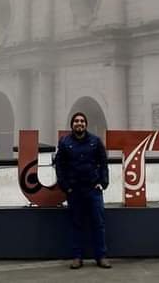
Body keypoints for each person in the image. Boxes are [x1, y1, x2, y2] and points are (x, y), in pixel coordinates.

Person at [55, 112, 111, 270]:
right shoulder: (65, 142)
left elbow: (103, 163)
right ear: (72, 125)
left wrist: (103, 183)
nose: (79, 123)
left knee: (98, 224)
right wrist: (66, 187)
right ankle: (77, 257)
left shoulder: (95, 141)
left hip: (93, 190)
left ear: (86, 124)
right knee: (76, 224)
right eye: (76, 121)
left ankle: (101, 257)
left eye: (82, 121)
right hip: (74, 191)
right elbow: (60, 166)